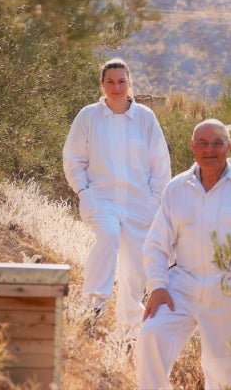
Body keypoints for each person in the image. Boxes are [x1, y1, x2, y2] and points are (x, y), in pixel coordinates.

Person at [136, 118, 231, 390]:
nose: (209, 149)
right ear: (192, 146)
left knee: (226, 376)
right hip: (182, 285)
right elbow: (156, 243)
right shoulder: (177, 188)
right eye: (202, 143)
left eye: (217, 143)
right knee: (150, 337)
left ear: (229, 147)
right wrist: (157, 286)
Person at [62, 58, 171, 334]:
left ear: (129, 83)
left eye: (121, 81)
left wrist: (154, 199)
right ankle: (92, 306)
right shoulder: (89, 116)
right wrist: (83, 190)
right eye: (110, 81)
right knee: (109, 235)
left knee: (134, 270)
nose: (116, 87)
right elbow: (73, 158)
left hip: (139, 204)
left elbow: (160, 163)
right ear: (102, 84)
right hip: (100, 198)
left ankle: (128, 332)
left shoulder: (145, 118)